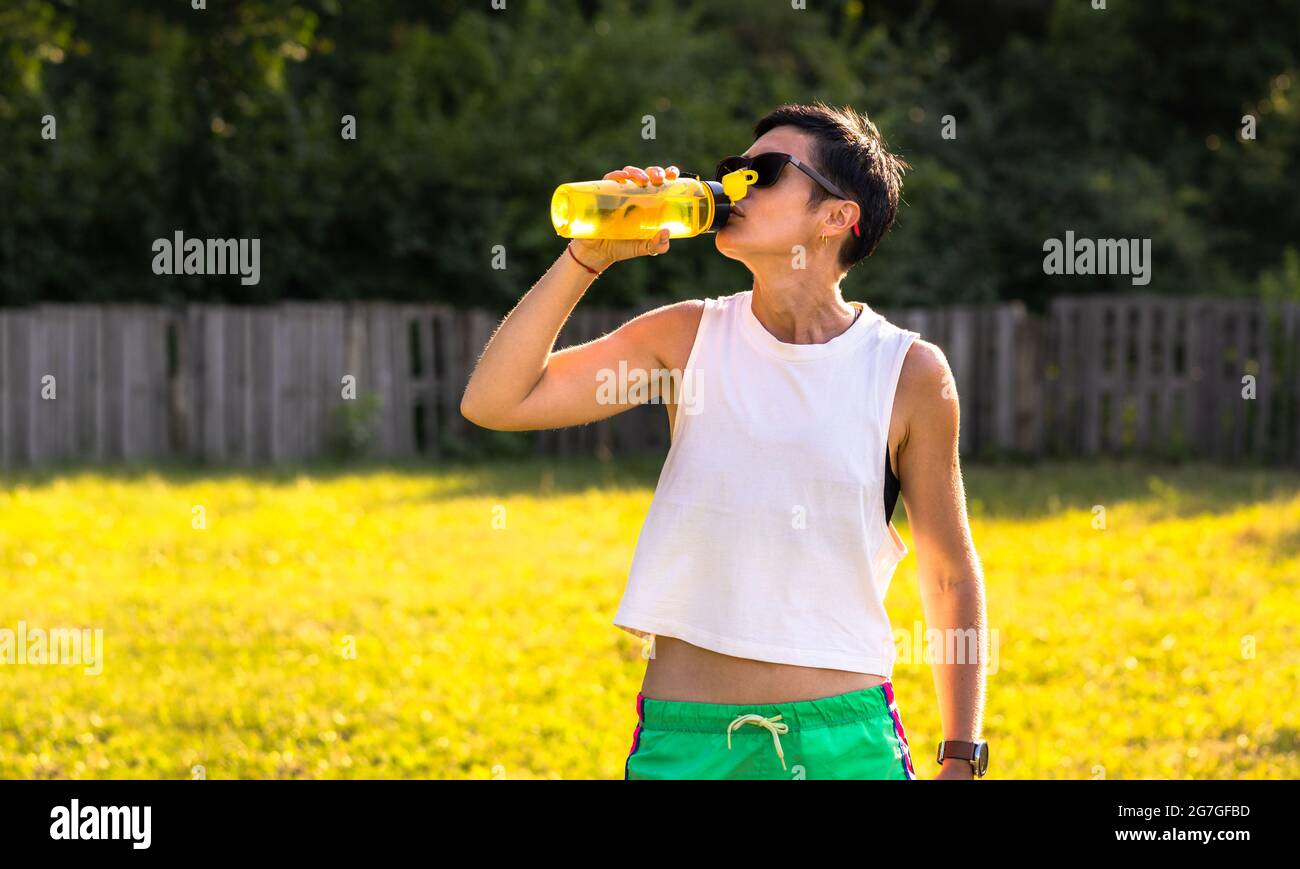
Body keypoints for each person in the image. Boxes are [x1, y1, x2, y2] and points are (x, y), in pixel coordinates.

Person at [461, 101, 987, 780]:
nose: (734, 184)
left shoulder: (908, 372)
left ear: (837, 216)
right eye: (732, 169)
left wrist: (962, 755)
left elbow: (949, 571)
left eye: (763, 172)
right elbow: (497, 400)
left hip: (845, 742)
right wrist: (584, 258)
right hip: (688, 742)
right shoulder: (686, 338)